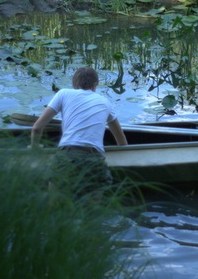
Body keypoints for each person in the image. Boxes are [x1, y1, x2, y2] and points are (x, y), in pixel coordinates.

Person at [31, 67, 128, 200]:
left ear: (73, 84)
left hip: (67, 153)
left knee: (54, 204)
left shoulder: (63, 93)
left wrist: (35, 147)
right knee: (93, 209)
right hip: (94, 158)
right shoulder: (105, 102)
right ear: (95, 85)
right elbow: (121, 141)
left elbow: (36, 128)